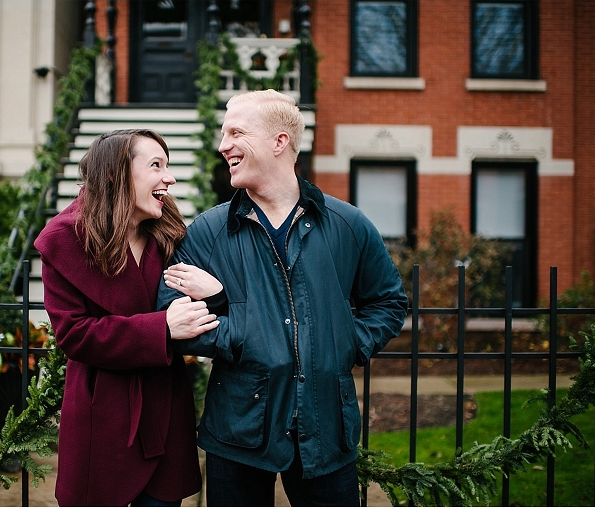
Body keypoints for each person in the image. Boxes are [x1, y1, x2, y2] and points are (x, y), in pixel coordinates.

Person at [158, 90, 409, 506]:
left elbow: (388, 303)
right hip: (238, 430)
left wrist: (346, 344)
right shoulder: (209, 232)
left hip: (327, 430)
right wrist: (239, 335)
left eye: (237, 132)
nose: (223, 145)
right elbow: (171, 311)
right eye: (224, 134)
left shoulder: (348, 224)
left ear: (280, 142)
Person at [34, 129, 223, 506]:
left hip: (164, 407)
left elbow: (201, 312)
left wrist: (215, 297)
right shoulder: (64, 238)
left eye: (167, 165)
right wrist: (161, 328)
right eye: (156, 165)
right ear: (114, 174)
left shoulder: (172, 235)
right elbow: (73, 334)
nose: (168, 177)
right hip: (102, 415)